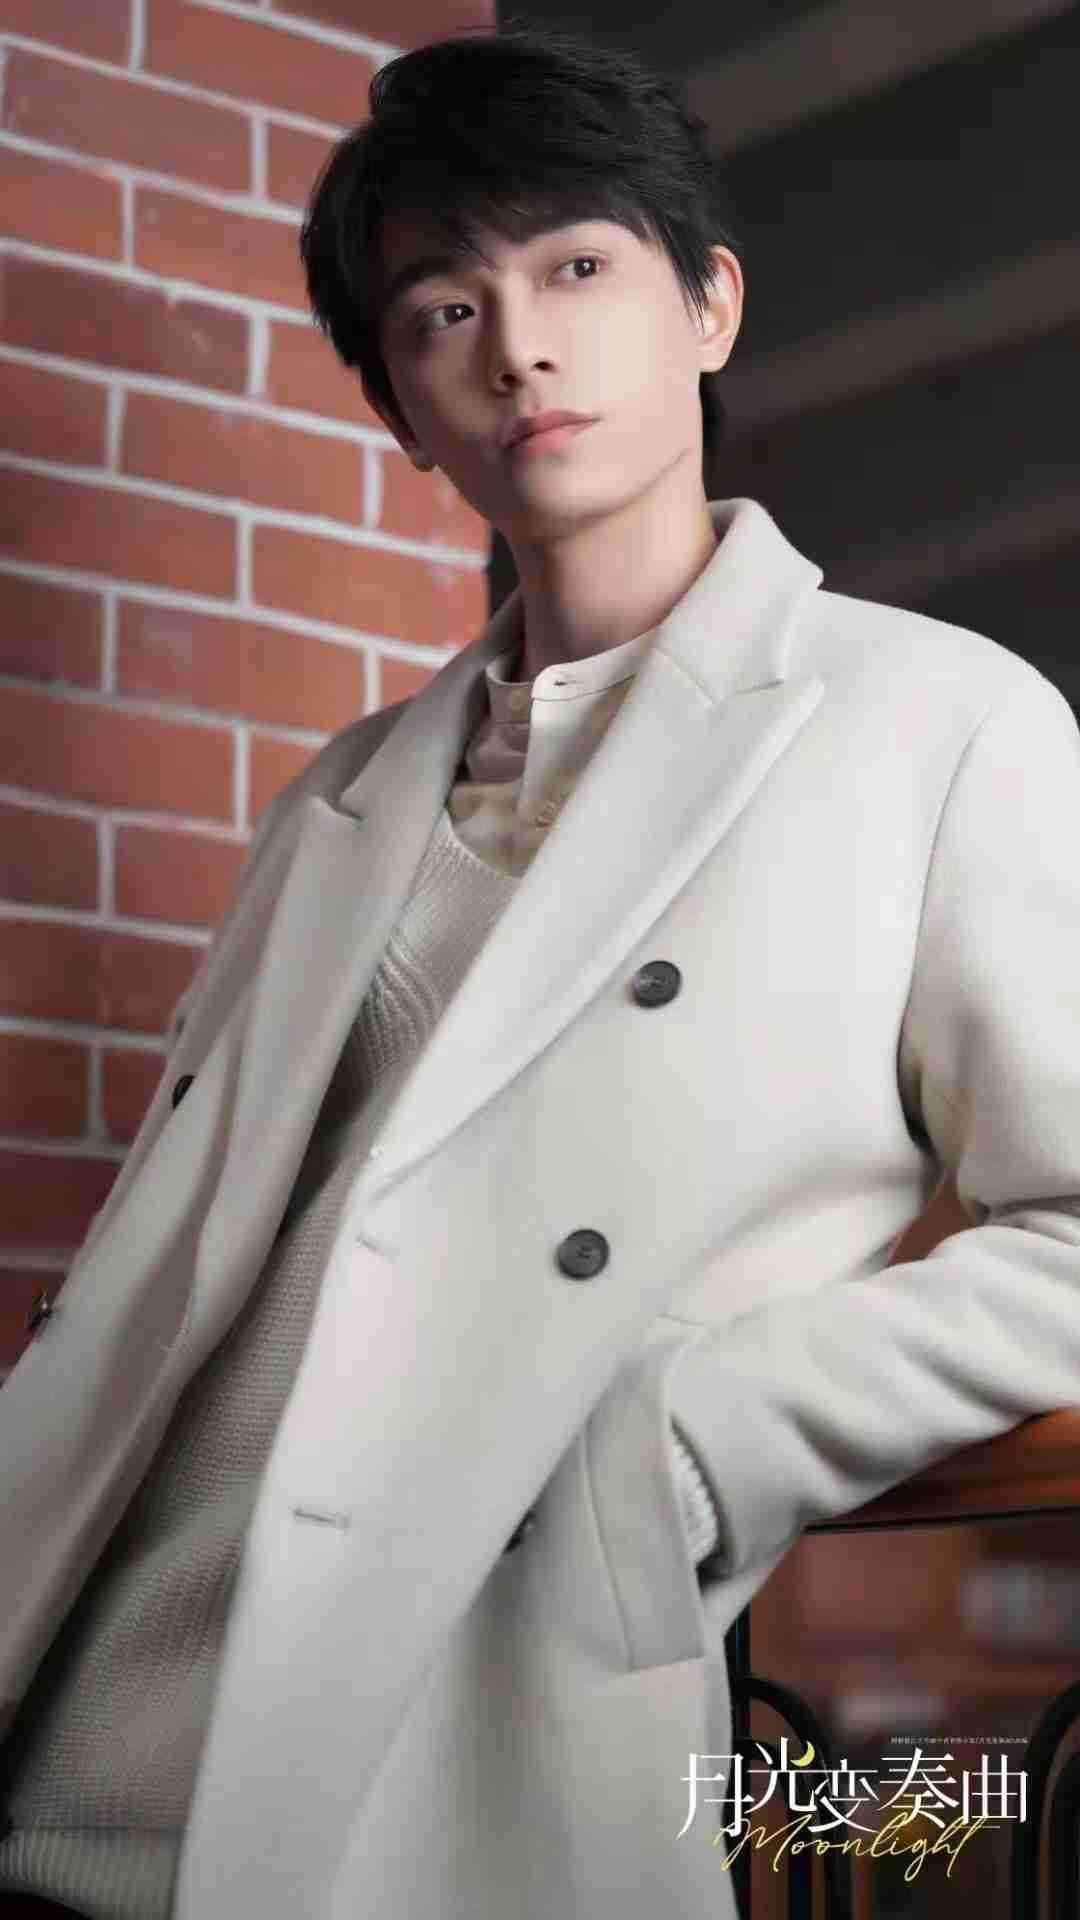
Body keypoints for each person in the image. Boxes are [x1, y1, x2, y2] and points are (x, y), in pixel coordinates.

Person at [2, 18, 1079, 1920]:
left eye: (577, 267)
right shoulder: (336, 798)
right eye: (442, 308)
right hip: (69, 1721)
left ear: (710, 307)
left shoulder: (934, 725)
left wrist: (687, 1441)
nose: (517, 346)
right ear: (403, 410)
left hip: (438, 1746)